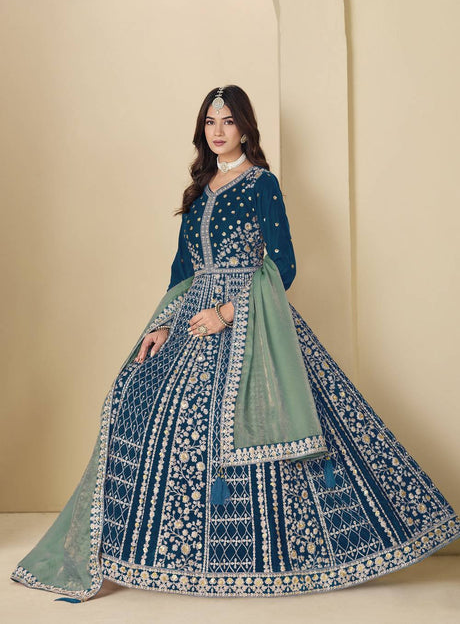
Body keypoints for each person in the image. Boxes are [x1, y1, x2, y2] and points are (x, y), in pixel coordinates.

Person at [11, 85, 460, 602]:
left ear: (245, 128)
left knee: (274, 421)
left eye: (228, 121)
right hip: (190, 317)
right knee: (135, 401)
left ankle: (278, 555)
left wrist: (227, 313)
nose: (218, 131)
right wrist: (162, 325)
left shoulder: (263, 184)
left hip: (249, 317)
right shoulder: (199, 190)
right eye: (210, 122)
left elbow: (283, 264)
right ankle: (163, 554)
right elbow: (182, 270)